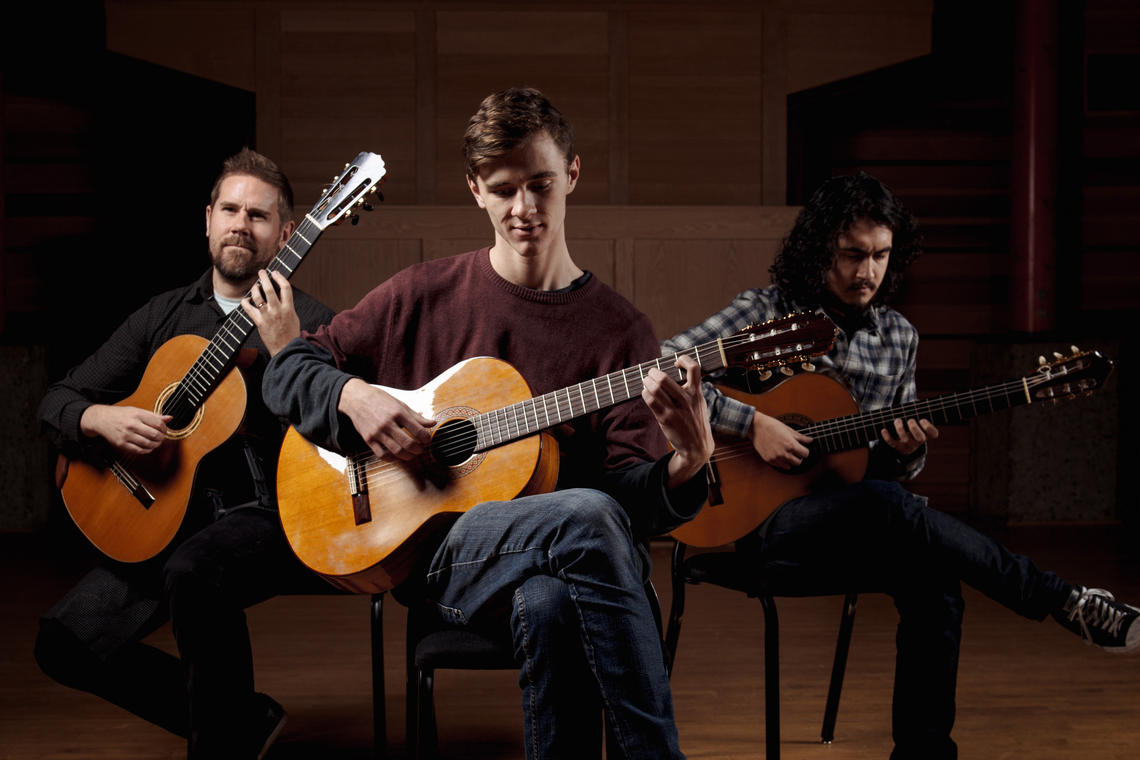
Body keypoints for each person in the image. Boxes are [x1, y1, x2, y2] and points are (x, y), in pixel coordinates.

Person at [263, 86, 713, 758]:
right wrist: (352, 397)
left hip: (567, 569)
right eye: (503, 189)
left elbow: (629, 513)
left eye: (540, 184)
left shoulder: (622, 332)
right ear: (475, 189)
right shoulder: (423, 293)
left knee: (555, 596)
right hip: (439, 562)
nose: (524, 209)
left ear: (573, 175)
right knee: (585, 516)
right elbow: (287, 368)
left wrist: (688, 466)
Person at [661, 172, 1139, 760]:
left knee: (933, 575)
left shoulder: (899, 338)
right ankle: (1058, 599)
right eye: (852, 255)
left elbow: (882, 474)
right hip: (757, 525)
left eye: (881, 255)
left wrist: (908, 452)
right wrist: (754, 424)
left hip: (852, 519)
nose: (868, 272)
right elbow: (664, 368)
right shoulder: (766, 312)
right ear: (819, 252)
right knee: (897, 510)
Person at [35, 148, 335, 759]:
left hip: (260, 519)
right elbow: (58, 400)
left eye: (258, 215)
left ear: (284, 233)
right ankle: (242, 718)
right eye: (229, 209)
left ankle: (218, 744)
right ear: (207, 219)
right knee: (63, 643)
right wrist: (100, 418)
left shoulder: (310, 322)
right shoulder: (163, 314)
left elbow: (337, 436)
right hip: (162, 515)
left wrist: (289, 356)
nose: (239, 224)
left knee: (195, 573)